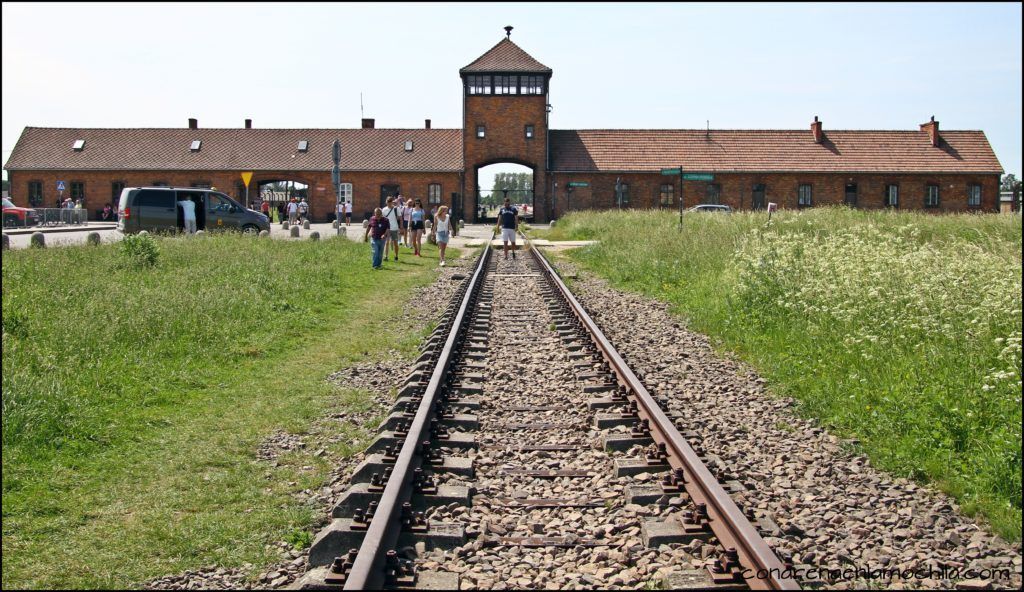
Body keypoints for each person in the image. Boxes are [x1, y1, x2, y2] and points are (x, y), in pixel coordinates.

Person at [381, 197, 401, 261]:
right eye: (388, 202)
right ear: (386, 202)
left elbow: (400, 218)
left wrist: (401, 227)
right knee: (387, 242)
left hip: (394, 228)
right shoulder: (383, 209)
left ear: (392, 202)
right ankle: (386, 256)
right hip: (387, 229)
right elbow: (382, 219)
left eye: (390, 202)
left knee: (395, 243)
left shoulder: (396, 209)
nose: (389, 203)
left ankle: (396, 256)